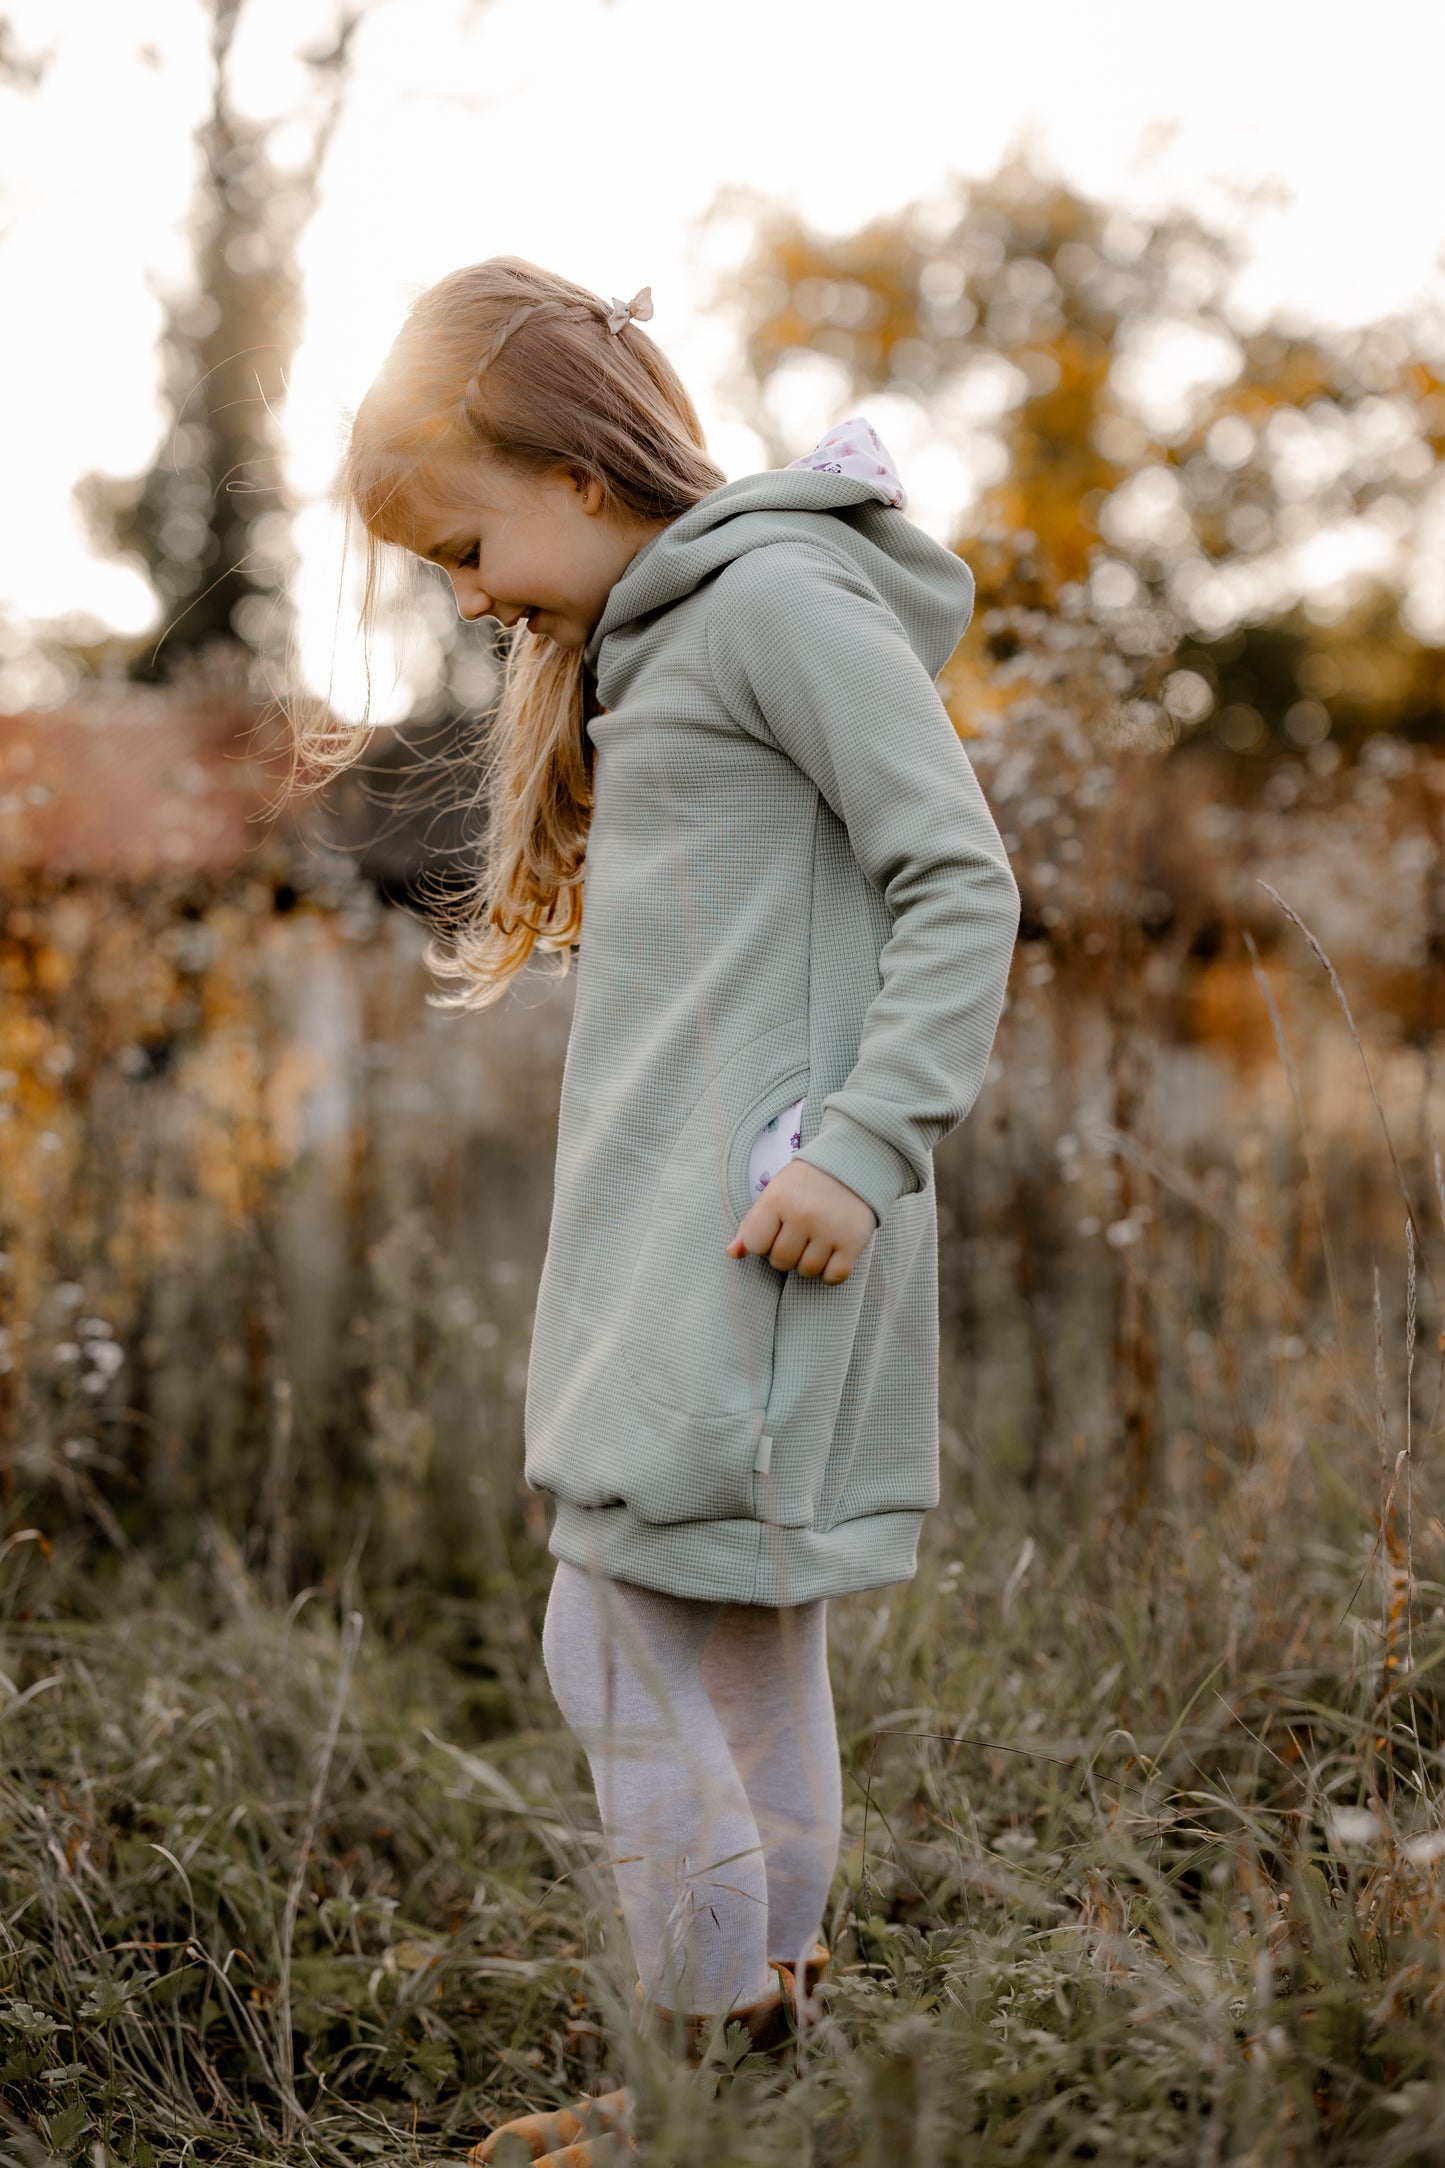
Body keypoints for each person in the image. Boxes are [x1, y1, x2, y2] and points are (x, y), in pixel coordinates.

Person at [293, 256, 1020, 2166]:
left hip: (769, 1215)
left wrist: (857, 1154)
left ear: (574, 467)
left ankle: (689, 2081)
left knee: (608, 1628)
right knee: (728, 1634)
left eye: (470, 541)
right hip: (672, 1228)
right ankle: (753, 2067)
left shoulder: (776, 597)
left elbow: (961, 880)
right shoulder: (663, 635)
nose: (469, 594)